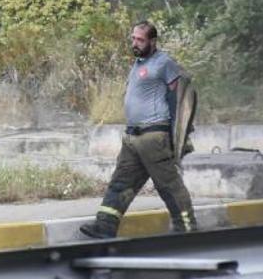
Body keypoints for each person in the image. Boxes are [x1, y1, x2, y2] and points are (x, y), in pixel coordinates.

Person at [79, 21, 197, 239]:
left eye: (140, 40)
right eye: (133, 38)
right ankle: (105, 226)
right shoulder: (138, 63)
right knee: (120, 183)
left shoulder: (164, 63)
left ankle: (187, 229)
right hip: (132, 138)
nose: (135, 43)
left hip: (154, 137)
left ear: (152, 41)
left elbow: (180, 98)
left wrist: (179, 135)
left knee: (169, 185)